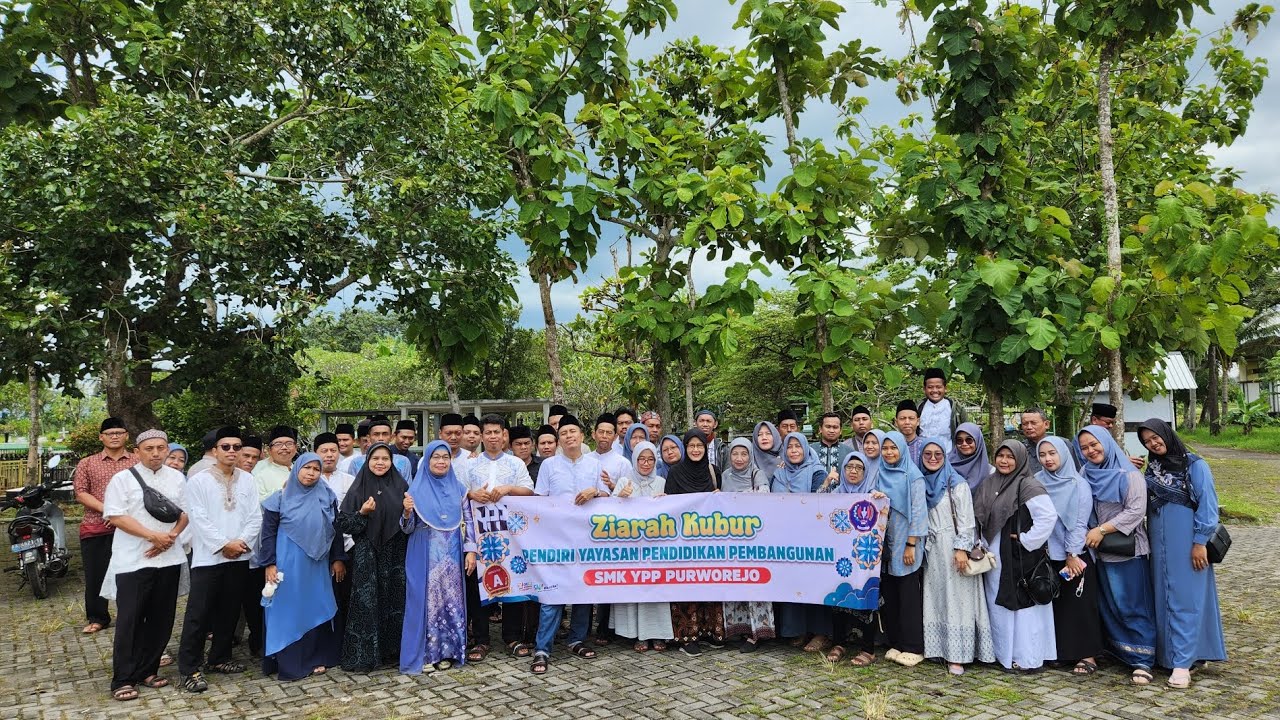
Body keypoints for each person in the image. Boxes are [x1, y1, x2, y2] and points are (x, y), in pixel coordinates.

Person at [1137, 419, 1227, 689]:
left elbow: (1208, 507)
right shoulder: (1151, 468)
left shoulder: (1195, 465)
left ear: (1167, 434)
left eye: (1156, 437)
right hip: (1159, 545)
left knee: (1187, 599)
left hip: (1188, 544)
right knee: (1164, 598)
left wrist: (1200, 542)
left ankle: (1182, 664)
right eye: (1147, 441)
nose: (1153, 443)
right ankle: (1174, 656)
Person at [101, 429, 188, 702]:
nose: (156, 453)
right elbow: (115, 515)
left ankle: (148, 669)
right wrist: (152, 536)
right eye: (149, 448)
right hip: (133, 559)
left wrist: (170, 537)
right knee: (130, 620)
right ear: (137, 451)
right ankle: (123, 678)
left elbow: (186, 513)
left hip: (169, 557)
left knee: (162, 618)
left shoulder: (177, 478)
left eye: (161, 448)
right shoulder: (122, 479)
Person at [179, 426, 261, 692]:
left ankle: (220, 658)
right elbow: (198, 517)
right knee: (199, 614)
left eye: (236, 447)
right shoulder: (199, 481)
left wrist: (241, 543)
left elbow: (255, 516)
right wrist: (223, 544)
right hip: (208, 557)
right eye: (226, 447)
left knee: (229, 610)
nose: (232, 452)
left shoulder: (248, 480)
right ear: (214, 451)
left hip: (239, 556)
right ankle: (190, 668)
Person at [529, 415, 609, 674]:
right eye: (563, 433)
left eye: (573, 431)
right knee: (552, 593)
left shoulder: (594, 465)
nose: (569, 436)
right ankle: (542, 647)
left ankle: (576, 639)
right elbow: (539, 500)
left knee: (583, 591)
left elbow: (608, 497)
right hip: (556, 539)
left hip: (587, 539)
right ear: (559, 439)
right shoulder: (549, 466)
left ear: (582, 436)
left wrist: (595, 492)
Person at [1077, 425, 1156, 685]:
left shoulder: (1129, 475)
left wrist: (1101, 529)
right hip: (1098, 552)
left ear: (1107, 443)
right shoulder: (1085, 472)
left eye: (1094, 444)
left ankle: (1143, 659)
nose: (1090, 451)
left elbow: (1135, 511)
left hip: (1127, 551)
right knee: (1108, 604)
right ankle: (1120, 652)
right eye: (1085, 447)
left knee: (1131, 604)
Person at [259, 453, 344, 681]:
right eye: (306, 468)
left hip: (317, 564)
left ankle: (317, 658)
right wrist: (269, 563)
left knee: (316, 605)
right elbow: (267, 534)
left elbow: (335, 530)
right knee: (288, 609)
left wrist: (337, 558)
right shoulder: (279, 498)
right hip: (288, 562)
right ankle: (290, 663)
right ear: (296, 469)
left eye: (316, 469)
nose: (311, 473)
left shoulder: (327, 496)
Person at [973, 441, 1057, 672]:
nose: (1004, 461)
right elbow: (981, 517)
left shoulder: (1028, 485)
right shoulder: (989, 483)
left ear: (1020, 459)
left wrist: (1026, 540)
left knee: (1023, 605)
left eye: (1010, 457)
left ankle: (1027, 656)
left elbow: (1048, 517)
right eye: (1000, 456)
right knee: (998, 602)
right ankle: (1003, 654)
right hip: (995, 554)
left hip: (1020, 555)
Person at [463, 414, 536, 662]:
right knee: (479, 587)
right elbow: (460, 494)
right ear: (482, 436)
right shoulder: (470, 465)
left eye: (497, 432)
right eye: (488, 432)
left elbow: (529, 490)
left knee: (512, 583)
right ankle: (481, 640)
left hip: (510, 536)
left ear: (504, 435)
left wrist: (507, 489)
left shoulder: (516, 464)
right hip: (480, 536)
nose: (493, 436)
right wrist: (472, 495)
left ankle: (512, 637)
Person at [919, 439, 994, 675]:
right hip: (931, 550)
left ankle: (959, 655)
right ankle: (938, 649)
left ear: (945, 456)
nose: (932, 458)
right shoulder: (921, 482)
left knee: (958, 600)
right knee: (936, 598)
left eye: (938, 454)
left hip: (953, 547)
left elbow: (967, 520)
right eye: (927, 454)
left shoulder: (956, 484)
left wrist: (961, 549)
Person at [400, 441, 474, 674]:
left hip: (452, 553)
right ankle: (425, 655)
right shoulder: (415, 490)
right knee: (424, 601)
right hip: (423, 551)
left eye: (445, 457)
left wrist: (471, 550)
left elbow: (469, 521)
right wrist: (407, 512)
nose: (441, 461)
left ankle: (448, 652)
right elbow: (406, 528)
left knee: (450, 602)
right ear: (427, 460)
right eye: (436, 457)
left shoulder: (459, 488)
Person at [337, 442, 410, 672]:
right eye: (375, 458)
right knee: (366, 603)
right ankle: (364, 656)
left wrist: (408, 512)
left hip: (395, 554)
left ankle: (392, 653)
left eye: (385, 459)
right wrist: (362, 513)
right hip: (367, 554)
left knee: (393, 600)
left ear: (392, 462)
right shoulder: (358, 487)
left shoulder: (401, 486)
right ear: (367, 461)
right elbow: (342, 523)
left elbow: (410, 525)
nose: (380, 463)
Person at [1035, 436, 1101, 677]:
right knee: (1057, 604)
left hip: (1075, 554)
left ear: (1063, 453)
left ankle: (1087, 654)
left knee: (1080, 604)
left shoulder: (1077, 484)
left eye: (1052, 453)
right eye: (1042, 455)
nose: (1048, 459)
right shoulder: (1037, 481)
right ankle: (1062, 652)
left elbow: (1079, 522)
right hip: (1047, 554)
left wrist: (1072, 554)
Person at [664, 429, 725, 656]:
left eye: (700, 446)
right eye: (692, 446)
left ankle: (711, 632)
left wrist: (720, 496)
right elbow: (669, 507)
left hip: (709, 541)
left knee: (709, 584)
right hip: (682, 542)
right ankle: (687, 636)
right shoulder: (676, 473)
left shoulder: (713, 471)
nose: (696, 450)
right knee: (686, 587)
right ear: (685, 448)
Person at [610, 441, 675, 652]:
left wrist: (666, 503)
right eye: (641, 459)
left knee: (656, 591)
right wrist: (620, 498)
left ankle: (657, 634)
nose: (646, 463)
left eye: (650, 459)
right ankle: (636, 634)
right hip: (630, 549)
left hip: (656, 549)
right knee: (634, 589)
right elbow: (607, 514)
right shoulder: (624, 481)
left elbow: (672, 514)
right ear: (634, 459)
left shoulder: (662, 482)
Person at [75, 417, 138, 636]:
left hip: (131, 527)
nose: (114, 437)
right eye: (110, 434)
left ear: (126, 436)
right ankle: (98, 617)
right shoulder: (87, 463)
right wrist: (109, 511)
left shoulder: (137, 461)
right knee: (95, 575)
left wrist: (122, 515)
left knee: (131, 574)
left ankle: (132, 615)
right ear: (101, 437)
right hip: (96, 527)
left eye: (119, 433)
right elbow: (81, 492)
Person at [876, 431, 928, 667]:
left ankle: (913, 646)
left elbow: (918, 513)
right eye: (885, 448)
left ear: (902, 450)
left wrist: (911, 544)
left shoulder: (913, 476)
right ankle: (896, 642)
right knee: (891, 594)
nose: (889, 452)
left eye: (893, 448)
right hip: (885, 544)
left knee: (908, 595)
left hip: (906, 542)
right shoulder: (879, 473)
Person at [826, 451, 882, 668]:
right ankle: (839, 643)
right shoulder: (836, 494)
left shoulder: (872, 494)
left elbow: (883, 516)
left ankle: (868, 648)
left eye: (859, 468)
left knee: (864, 597)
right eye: (849, 467)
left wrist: (879, 499)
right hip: (839, 557)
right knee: (837, 599)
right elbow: (818, 509)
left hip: (863, 557)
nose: (853, 471)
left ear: (865, 472)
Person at [247, 425, 298, 657]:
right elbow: (257, 505)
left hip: (298, 543)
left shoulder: (301, 467)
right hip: (272, 540)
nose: (285, 448)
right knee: (271, 592)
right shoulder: (259, 471)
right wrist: (283, 492)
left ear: (296, 448)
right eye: (279, 444)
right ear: (269, 449)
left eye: (289, 444)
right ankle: (267, 644)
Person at [720, 438, 775, 652]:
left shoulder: (757, 474)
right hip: (731, 538)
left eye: (744, 454)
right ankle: (739, 628)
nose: (739, 458)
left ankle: (757, 633)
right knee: (736, 581)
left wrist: (739, 498)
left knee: (755, 582)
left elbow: (764, 498)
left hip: (754, 538)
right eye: (735, 454)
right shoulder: (725, 476)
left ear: (750, 455)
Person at [314, 432, 354, 637]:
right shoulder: (310, 480)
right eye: (324, 451)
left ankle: (343, 638)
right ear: (315, 453)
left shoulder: (350, 481)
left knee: (344, 594)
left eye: (333, 450)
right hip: (317, 549)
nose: (329, 455)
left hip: (347, 545)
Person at [917, 369, 967, 452]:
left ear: (945, 388)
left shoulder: (957, 409)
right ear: (924, 389)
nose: (935, 390)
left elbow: (966, 432)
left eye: (938, 387)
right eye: (930, 387)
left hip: (949, 457)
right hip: (922, 456)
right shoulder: (917, 408)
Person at [349, 417, 413, 479]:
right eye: (376, 434)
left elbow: (407, 489)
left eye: (385, 434)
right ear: (369, 438)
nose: (380, 438)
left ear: (391, 437)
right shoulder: (357, 463)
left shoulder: (403, 462)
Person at [1087, 404, 1144, 469]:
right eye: (1108, 422)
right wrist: (1122, 462)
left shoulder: (1106, 437)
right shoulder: (1084, 439)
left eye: (1113, 423)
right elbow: (1088, 465)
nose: (1111, 426)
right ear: (1094, 420)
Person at [948, 422, 992, 490]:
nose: (964, 444)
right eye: (959, 440)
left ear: (978, 441)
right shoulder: (948, 466)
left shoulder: (990, 471)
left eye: (969, 440)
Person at [813, 412, 845, 489]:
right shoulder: (810, 451)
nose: (831, 430)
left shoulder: (849, 452)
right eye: (828, 426)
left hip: (842, 497)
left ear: (840, 430)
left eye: (835, 427)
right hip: (813, 497)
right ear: (820, 429)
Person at [893, 400, 925, 467]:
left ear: (918, 421)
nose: (907, 422)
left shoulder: (926, 445)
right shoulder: (889, 446)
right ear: (896, 422)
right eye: (902, 418)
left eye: (911, 418)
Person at [1020, 409, 1050, 473]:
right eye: (1025, 424)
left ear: (1046, 424)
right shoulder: (1019, 450)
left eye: (1034, 423)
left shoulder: (1062, 446)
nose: (1029, 427)